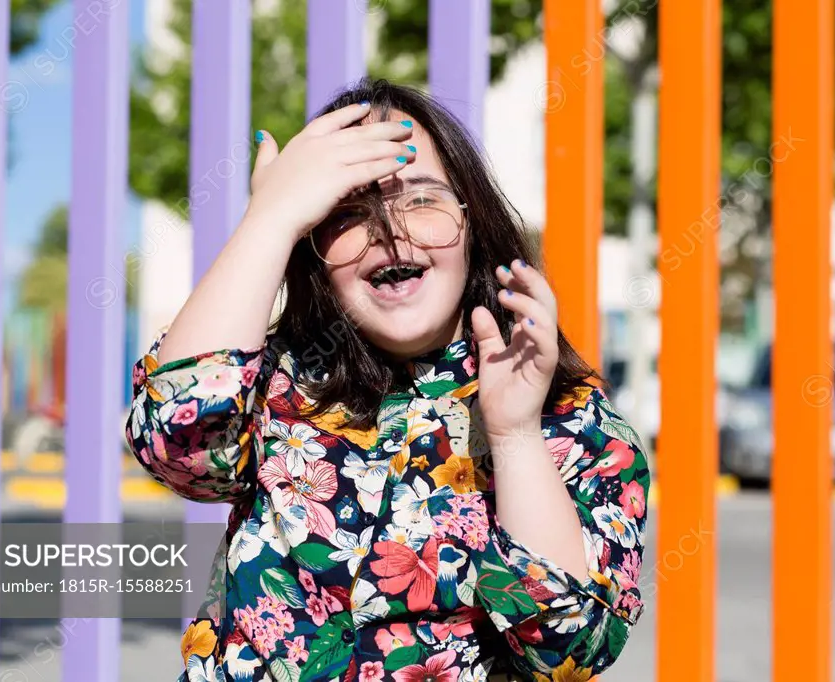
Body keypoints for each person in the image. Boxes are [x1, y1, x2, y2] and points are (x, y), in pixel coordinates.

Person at [125, 78, 648, 682]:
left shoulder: (576, 423)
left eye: (423, 200)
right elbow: (175, 442)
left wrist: (515, 435)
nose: (391, 230)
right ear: (313, 246)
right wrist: (268, 220)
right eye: (349, 212)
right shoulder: (273, 387)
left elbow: (571, 649)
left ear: (473, 225)